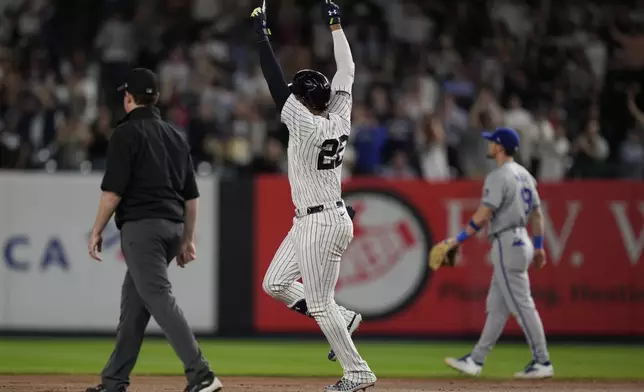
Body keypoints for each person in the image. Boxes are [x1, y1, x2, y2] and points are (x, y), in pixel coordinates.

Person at [250, 2, 377, 391]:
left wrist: (261, 35)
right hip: (319, 217)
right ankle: (346, 318)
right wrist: (335, 24)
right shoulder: (338, 115)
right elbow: (348, 70)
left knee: (319, 304)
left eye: (295, 94)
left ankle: (357, 372)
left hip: (320, 222)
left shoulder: (304, 124)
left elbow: (274, 82)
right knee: (274, 283)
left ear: (303, 101)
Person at [86, 68, 222, 392]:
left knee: (159, 298)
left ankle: (201, 374)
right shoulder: (175, 135)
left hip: (142, 229)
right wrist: (187, 238)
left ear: (128, 97)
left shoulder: (125, 134)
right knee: (134, 307)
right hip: (172, 228)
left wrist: (96, 231)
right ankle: (114, 381)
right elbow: (192, 196)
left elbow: (113, 194)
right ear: (156, 98)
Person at [441, 127, 554, 379]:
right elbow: (537, 214)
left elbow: (483, 214)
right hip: (521, 240)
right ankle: (476, 359)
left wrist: (457, 239)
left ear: (500, 147)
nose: (489, 144)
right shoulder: (525, 175)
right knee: (497, 307)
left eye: (492, 141)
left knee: (522, 305)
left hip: (507, 243)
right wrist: (538, 246)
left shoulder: (499, 176)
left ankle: (542, 360)